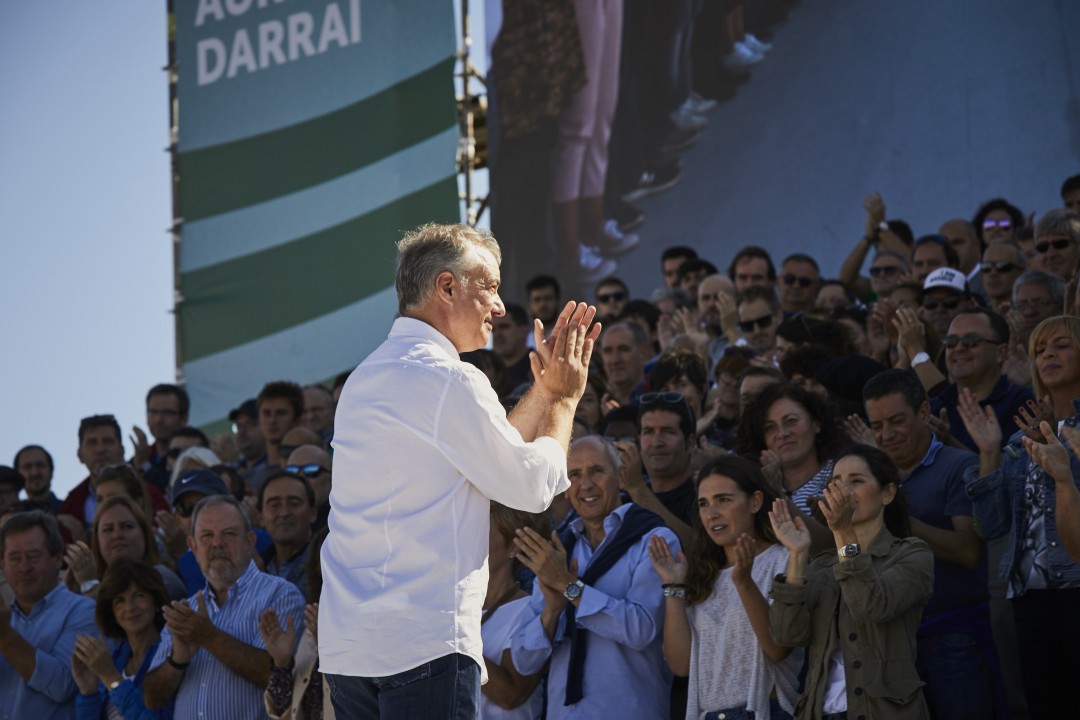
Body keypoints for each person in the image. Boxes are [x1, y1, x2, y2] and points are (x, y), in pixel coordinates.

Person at [321, 224, 598, 719]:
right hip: (425, 644)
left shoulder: (364, 379)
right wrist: (563, 399)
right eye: (489, 286)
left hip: (349, 650)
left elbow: (489, 453)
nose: (501, 307)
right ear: (447, 287)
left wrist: (542, 389)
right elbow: (530, 487)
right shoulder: (449, 377)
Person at [958, 315, 1080, 716]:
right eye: (1040, 350)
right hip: (1029, 595)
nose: (1048, 355)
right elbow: (990, 526)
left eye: (1061, 345)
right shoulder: (1019, 440)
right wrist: (989, 452)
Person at [510, 436, 679, 719]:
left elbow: (641, 630)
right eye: (575, 475)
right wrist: (552, 611)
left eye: (597, 470)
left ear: (621, 477)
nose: (586, 484)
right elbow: (525, 662)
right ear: (566, 489)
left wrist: (569, 587)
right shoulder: (559, 551)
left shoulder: (654, 539)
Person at [769, 444, 935, 720]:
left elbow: (870, 606)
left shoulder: (911, 554)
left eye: (856, 481)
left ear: (887, 493)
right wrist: (797, 555)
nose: (843, 492)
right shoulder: (822, 565)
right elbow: (787, 635)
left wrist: (844, 532)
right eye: (836, 483)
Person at [648, 455, 800, 720]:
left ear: (754, 502)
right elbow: (681, 665)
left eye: (723, 499)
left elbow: (778, 648)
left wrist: (743, 581)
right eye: (703, 504)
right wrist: (673, 586)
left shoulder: (784, 558)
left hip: (765, 711)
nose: (712, 513)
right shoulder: (703, 574)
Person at [142, 495, 306, 719]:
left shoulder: (280, 594)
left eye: (229, 534)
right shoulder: (187, 610)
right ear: (193, 547)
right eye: (206, 536)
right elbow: (152, 699)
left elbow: (280, 677)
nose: (217, 543)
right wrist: (177, 660)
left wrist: (208, 637)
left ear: (249, 542)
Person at [0, 510, 98, 720]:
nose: (24, 567)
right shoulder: (5, 617)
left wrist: (4, 635)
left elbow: (63, 685)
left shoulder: (84, 610)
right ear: (2, 564)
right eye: (14, 558)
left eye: (33, 556)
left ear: (58, 558)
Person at [736, 383, 849, 550]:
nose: (782, 434)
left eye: (791, 421)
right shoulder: (756, 486)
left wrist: (778, 495)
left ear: (816, 423)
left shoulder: (842, 474)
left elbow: (846, 549)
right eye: (770, 427)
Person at [71, 560, 172, 720]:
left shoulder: (171, 655)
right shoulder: (116, 660)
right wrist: (88, 693)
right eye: (120, 600)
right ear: (112, 614)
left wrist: (110, 677)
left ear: (156, 602)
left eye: (139, 595)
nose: (130, 607)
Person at [477, 504, 546, 720]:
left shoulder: (529, 611)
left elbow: (511, 696)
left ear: (514, 547)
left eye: (483, 534)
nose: (472, 542)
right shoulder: (455, 609)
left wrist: (452, 642)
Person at [259, 528, 331, 720]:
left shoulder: (369, 629)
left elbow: (363, 702)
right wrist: (281, 664)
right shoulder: (311, 630)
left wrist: (331, 649)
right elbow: (288, 712)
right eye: (324, 574)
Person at [258, 469, 317, 600]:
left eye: (294, 503)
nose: (284, 513)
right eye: (274, 505)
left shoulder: (327, 565)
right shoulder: (255, 568)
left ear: (313, 513)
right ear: (260, 517)